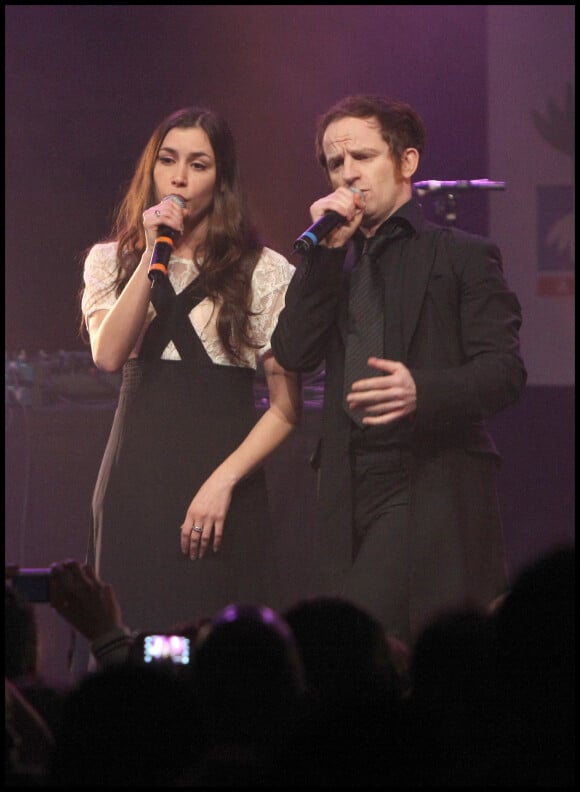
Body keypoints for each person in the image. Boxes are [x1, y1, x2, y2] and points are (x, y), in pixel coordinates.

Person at [271, 94, 527, 646]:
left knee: (352, 638)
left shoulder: (461, 255)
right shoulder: (334, 260)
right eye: (336, 164)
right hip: (345, 479)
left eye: (361, 157)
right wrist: (321, 259)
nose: (348, 174)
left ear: (406, 162)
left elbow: (504, 372)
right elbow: (293, 353)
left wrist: (423, 390)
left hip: (425, 475)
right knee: (374, 657)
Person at [78, 106, 302, 649]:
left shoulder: (265, 271)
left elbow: (285, 407)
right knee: (136, 643)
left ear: (221, 178)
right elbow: (108, 356)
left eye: (198, 164)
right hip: (137, 481)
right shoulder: (111, 261)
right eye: (168, 161)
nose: (179, 177)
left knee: (222, 651)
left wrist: (221, 483)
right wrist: (151, 255)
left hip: (224, 481)